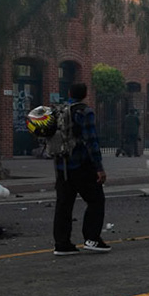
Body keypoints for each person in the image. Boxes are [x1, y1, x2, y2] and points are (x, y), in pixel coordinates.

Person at [48, 82, 108, 256]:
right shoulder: (85, 112)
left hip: (61, 166)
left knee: (63, 205)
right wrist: (99, 167)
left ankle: (62, 243)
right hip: (81, 165)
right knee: (96, 200)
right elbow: (91, 141)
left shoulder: (59, 111)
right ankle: (92, 239)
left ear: (69, 93)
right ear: (85, 94)